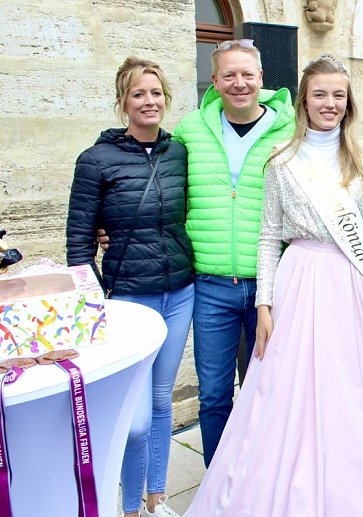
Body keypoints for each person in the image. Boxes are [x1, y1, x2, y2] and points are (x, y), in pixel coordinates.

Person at [184, 54, 363, 516]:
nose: (329, 103)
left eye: (338, 94)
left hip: (352, 285)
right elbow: (268, 235)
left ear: (349, 101)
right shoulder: (282, 162)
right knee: (287, 389)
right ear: (304, 101)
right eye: (320, 94)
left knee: (353, 386)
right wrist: (264, 303)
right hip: (299, 281)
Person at [66, 57, 194, 517]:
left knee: (161, 401)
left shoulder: (179, 151)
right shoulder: (96, 160)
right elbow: (78, 245)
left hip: (179, 293)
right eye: (138, 93)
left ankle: (155, 500)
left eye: (156, 93)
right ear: (122, 101)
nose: (149, 101)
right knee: (135, 420)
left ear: (166, 99)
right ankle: (128, 506)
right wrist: (96, 304)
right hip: (126, 301)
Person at [173, 39, 295, 466]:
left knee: (270, 389)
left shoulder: (291, 129)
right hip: (210, 287)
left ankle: (265, 479)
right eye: (229, 75)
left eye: (247, 74)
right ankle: (219, 486)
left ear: (262, 79)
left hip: (272, 284)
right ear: (215, 80)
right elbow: (156, 179)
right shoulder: (190, 129)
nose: (239, 83)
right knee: (214, 395)